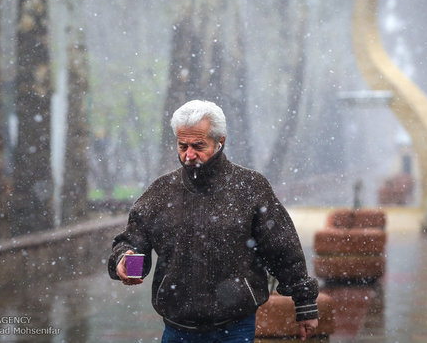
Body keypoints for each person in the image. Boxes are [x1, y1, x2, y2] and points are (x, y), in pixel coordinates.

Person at [108, 100, 319, 342]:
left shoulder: (250, 187)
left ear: (220, 142)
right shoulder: (161, 192)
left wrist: (305, 304)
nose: (188, 154)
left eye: (198, 145)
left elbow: (283, 250)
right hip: (177, 327)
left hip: (235, 326)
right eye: (182, 145)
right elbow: (133, 241)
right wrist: (125, 261)